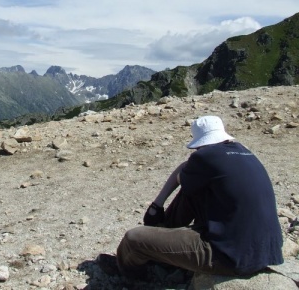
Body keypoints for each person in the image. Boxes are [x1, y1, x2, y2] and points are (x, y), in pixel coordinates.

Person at [97, 115, 283, 280]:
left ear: (200, 143)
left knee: (133, 239)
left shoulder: (205, 157)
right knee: (192, 189)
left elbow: (181, 172)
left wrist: (157, 204)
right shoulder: (243, 152)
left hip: (230, 256)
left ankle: (130, 274)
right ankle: (164, 245)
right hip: (267, 251)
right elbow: (186, 173)